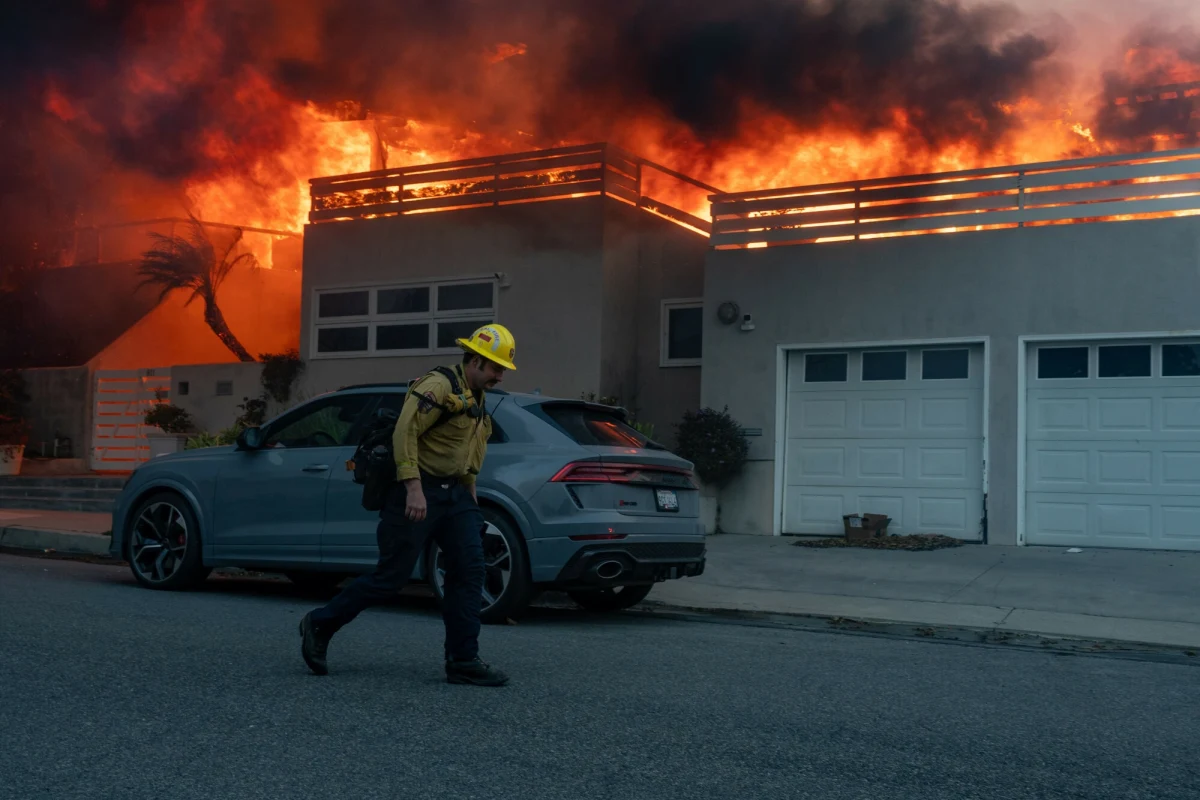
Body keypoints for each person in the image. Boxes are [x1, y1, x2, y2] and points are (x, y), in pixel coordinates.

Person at [298, 323, 517, 687]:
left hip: (455, 494)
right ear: (476, 360)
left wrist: (470, 492)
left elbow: (468, 446)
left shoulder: (476, 393)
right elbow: (405, 432)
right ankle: (320, 623)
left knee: (470, 571)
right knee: (391, 578)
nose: (499, 376)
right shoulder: (438, 385)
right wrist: (413, 487)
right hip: (417, 490)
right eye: (495, 368)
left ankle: (463, 660)